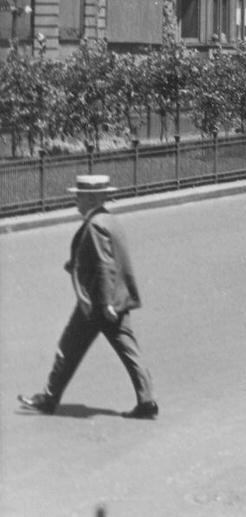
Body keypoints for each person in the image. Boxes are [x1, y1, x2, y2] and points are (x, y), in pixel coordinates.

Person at [18, 173, 157, 419]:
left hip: (96, 304)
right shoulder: (109, 220)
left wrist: (104, 304)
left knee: (68, 349)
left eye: (80, 196)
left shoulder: (94, 225)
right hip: (116, 299)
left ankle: (48, 400)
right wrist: (77, 265)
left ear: (92, 198)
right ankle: (147, 402)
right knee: (129, 351)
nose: (76, 201)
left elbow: (105, 265)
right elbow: (108, 260)